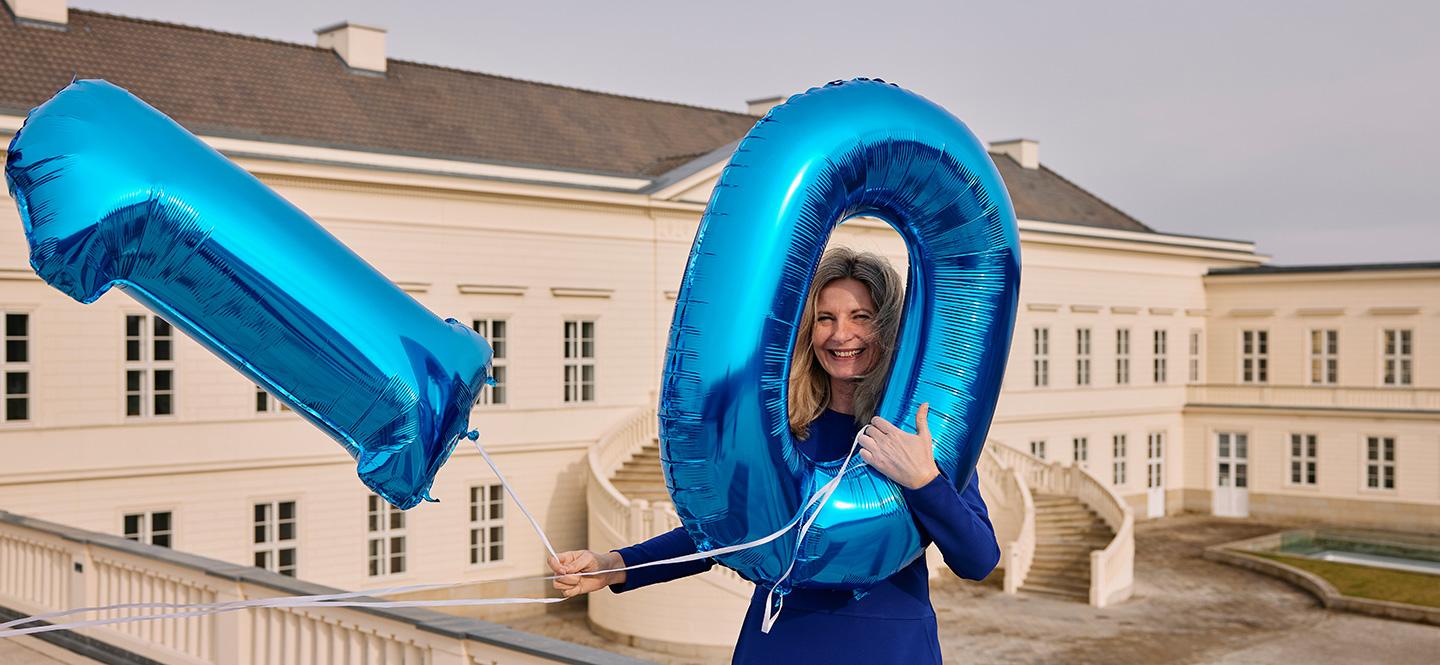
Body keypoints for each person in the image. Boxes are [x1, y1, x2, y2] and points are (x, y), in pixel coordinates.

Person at [548, 247, 1000, 663]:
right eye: (824, 319)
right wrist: (616, 566)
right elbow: (725, 534)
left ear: (885, 326)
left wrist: (925, 482)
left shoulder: (922, 435)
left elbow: (978, 560)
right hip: (780, 642)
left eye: (859, 316)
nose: (841, 335)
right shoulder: (780, 431)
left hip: (887, 648)